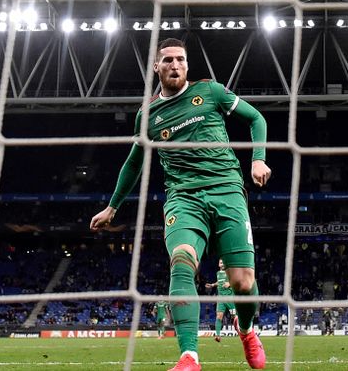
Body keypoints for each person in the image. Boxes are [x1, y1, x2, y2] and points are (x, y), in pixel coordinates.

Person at [90, 38, 271, 371]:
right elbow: (134, 164)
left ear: (187, 66)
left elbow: (256, 119)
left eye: (181, 60)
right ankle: (190, 355)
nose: (175, 65)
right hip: (183, 198)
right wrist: (112, 207)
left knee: (243, 282)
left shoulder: (212, 92)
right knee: (182, 260)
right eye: (168, 60)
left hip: (227, 190)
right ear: (156, 67)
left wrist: (258, 159)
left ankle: (246, 330)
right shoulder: (148, 115)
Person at [204, 259, 236, 343]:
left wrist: (230, 284)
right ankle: (218, 335)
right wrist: (212, 285)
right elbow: (220, 282)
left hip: (230, 298)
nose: (222, 264)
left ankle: (242, 333)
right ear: (218, 264)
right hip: (221, 299)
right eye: (221, 262)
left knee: (234, 317)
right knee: (219, 317)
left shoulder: (230, 272)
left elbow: (237, 281)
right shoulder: (218, 273)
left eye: (223, 262)